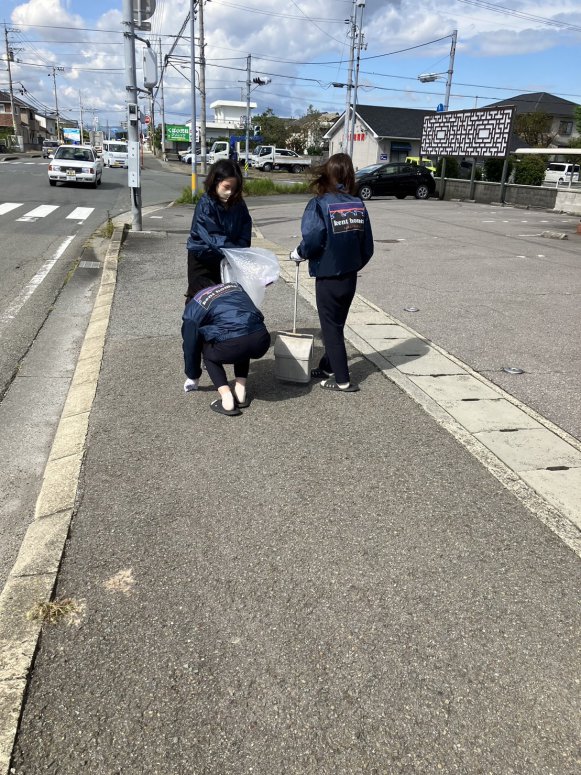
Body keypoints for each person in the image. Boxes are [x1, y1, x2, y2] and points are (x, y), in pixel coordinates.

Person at [291, 153, 374, 392]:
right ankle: (328, 366)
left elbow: (313, 238)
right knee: (336, 324)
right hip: (349, 277)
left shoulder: (320, 203)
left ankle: (342, 380)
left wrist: (299, 253)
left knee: (331, 328)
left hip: (328, 276)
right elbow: (367, 246)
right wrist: (352, 264)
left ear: (328, 173)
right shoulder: (358, 204)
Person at [182, 282, 271, 416]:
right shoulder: (234, 286)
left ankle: (227, 399)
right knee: (241, 337)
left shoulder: (192, 309)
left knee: (209, 353)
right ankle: (240, 392)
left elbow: (191, 347)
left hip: (234, 344)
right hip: (261, 338)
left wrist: (193, 375)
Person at [186, 159, 251, 302]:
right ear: (216, 181)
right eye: (226, 187)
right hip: (203, 258)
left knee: (226, 300)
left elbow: (245, 230)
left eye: (234, 188)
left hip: (227, 259)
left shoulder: (239, 205)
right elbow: (214, 238)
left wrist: (240, 251)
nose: (230, 192)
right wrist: (236, 252)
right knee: (201, 300)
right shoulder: (206, 204)